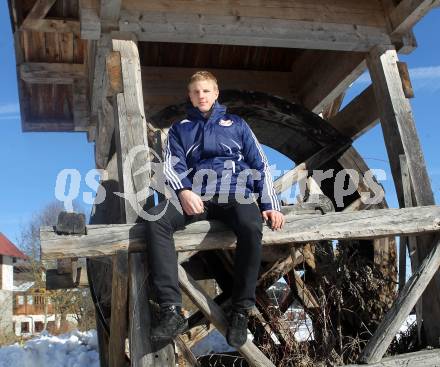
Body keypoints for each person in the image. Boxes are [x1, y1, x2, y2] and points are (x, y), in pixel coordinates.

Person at [146, 71, 285, 348]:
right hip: (198, 195)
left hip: (235, 192)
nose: (202, 96)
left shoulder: (237, 124)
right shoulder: (180, 128)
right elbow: (173, 166)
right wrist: (184, 191)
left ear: (216, 93)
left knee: (251, 226)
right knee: (156, 220)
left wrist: (271, 205)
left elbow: (261, 165)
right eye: (196, 92)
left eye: (206, 91)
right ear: (190, 95)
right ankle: (171, 310)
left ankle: (241, 310)